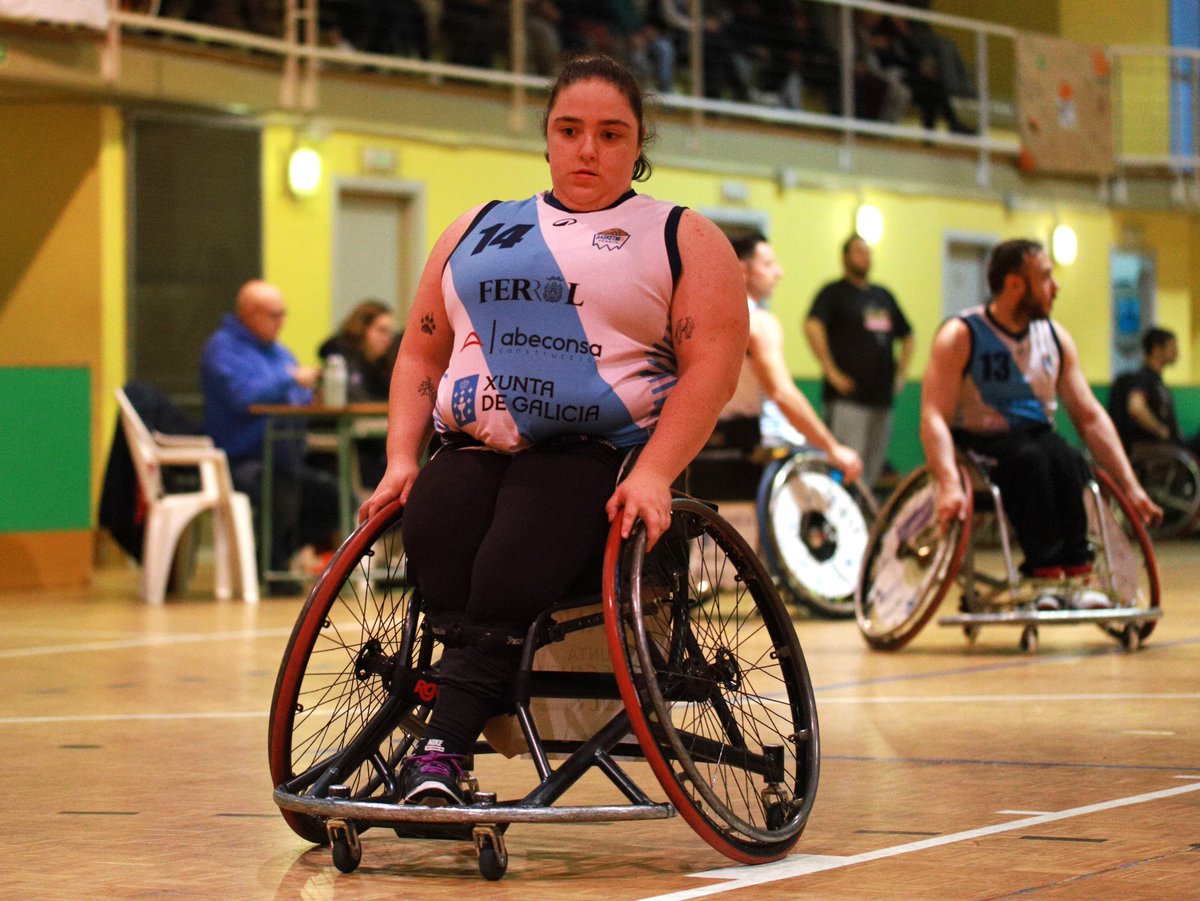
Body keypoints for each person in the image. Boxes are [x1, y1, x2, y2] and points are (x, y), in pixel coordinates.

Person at [360, 54, 748, 806]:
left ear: (639, 146)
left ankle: (440, 750)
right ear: (546, 137)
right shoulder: (474, 227)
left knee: (512, 558)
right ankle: (462, 711)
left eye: (611, 133)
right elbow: (421, 347)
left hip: (596, 456)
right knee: (436, 535)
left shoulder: (680, 235)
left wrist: (656, 473)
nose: (588, 149)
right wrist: (398, 458)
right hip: (472, 447)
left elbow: (712, 370)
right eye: (570, 130)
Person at [921, 238, 1160, 610]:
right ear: (1015, 284)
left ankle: (1078, 571)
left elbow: (1090, 417)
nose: (1056, 286)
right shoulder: (961, 335)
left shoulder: (1055, 338)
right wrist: (949, 482)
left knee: (1068, 458)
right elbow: (933, 415)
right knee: (1030, 460)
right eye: (1046, 277)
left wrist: (1131, 486)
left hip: (1034, 436)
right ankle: (1043, 572)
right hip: (979, 443)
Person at [200, 279, 340, 587]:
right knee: (280, 490)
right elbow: (244, 398)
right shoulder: (222, 348)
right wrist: (290, 380)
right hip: (239, 459)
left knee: (338, 498)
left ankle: (272, 555)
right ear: (249, 314)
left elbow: (296, 397)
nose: (281, 322)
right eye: (273, 315)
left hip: (284, 460)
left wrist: (311, 395)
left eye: (283, 314)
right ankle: (270, 566)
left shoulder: (279, 352)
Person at [721, 230, 862, 481]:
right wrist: (832, 448)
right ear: (743, 269)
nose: (779, 272)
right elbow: (782, 394)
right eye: (768, 264)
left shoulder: (704, 320)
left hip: (717, 446)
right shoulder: (760, 323)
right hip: (763, 449)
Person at [804, 234, 913, 491]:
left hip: (881, 400)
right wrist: (831, 371)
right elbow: (812, 325)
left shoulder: (883, 296)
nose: (866, 256)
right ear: (845, 258)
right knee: (845, 470)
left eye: (868, 252)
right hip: (848, 399)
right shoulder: (833, 293)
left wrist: (901, 374)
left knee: (871, 472)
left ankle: (865, 523)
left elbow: (908, 335)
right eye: (859, 251)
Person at [317, 299, 400, 487]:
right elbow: (357, 400)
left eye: (390, 333)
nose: (388, 338)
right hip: (338, 445)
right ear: (362, 329)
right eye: (381, 330)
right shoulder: (341, 356)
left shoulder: (382, 363)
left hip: (369, 441)